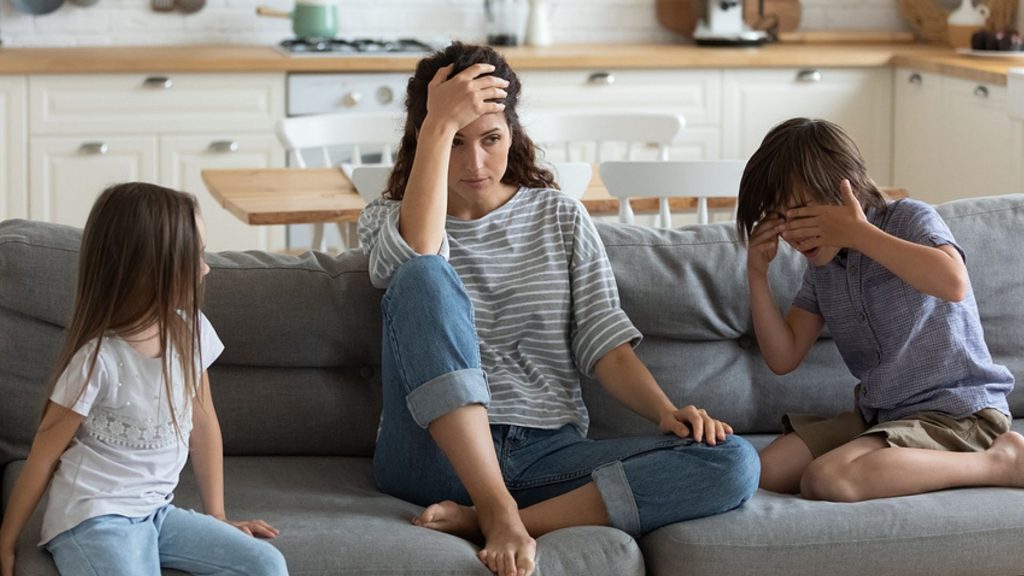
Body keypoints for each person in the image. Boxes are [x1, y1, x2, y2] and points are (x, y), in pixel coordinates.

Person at [358, 42, 759, 576]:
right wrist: (436, 122)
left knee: (734, 463)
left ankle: (487, 516)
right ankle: (500, 509)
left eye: (491, 138)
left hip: (543, 454)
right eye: (454, 141)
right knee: (425, 274)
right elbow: (420, 254)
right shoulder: (386, 220)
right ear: (424, 138)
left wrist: (665, 411)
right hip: (431, 454)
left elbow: (605, 345)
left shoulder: (560, 216)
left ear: (513, 132)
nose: (475, 162)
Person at [0, 183, 289, 576]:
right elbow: (43, 457)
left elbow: (203, 425)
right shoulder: (97, 360)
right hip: (92, 518)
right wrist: (6, 543)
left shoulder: (192, 333)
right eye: (197, 256)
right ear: (152, 267)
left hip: (157, 513)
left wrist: (217, 515)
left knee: (266, 564)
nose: (206, 268)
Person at [737, 117, 1023, 502]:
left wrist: (859, 233)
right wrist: (757, 274)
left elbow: (953, 282)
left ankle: (1000, 462)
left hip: (958, 413)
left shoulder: (907, 219)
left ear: (846, 191)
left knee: (829, 479)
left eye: (802, 213)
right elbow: (783, 357)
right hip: (883, 415)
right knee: (764, 471)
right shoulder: (823, 270)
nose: (793, 233)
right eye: (779, 219)